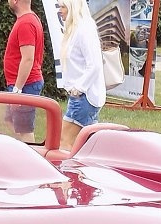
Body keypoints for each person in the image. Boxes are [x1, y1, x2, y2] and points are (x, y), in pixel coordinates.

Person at [57, 0, 105, 150]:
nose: (60, 10)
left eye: (63, 6)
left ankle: (66, 172)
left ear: (73, 7)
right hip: (82, 97)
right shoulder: (77, 29)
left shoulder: (84, 29)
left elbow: (95, 64)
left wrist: (78, 88)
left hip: (83, 98)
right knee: (84, 147)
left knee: (64, 142)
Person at [4, 0, 45, 141]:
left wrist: (17, 90)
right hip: (24, 84)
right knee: (11, 121)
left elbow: (28, 59)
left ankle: (28, 155)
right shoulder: (29, 19)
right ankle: (22, 149)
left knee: (24, 130)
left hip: (25, 84)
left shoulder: (25, 23)